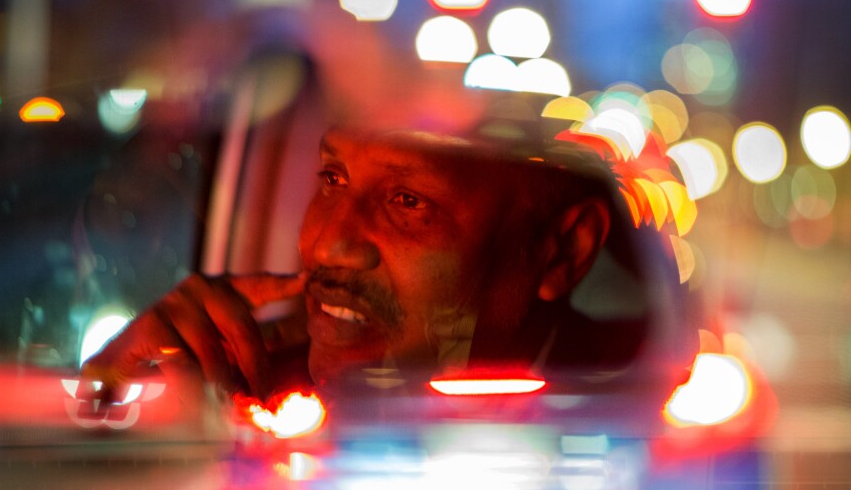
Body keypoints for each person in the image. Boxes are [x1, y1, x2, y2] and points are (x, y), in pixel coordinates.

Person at [82, 123, 616, 406]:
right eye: (332, 177)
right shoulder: (250, 393)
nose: (326, 245)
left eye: (407, 200)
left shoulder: (645, 422)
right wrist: (118, 401)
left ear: (564, 250)